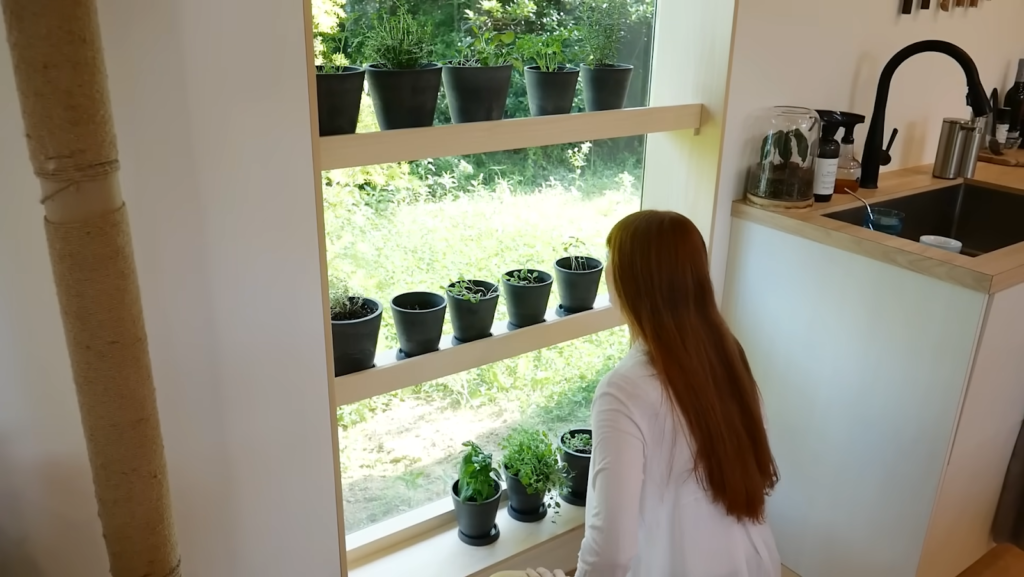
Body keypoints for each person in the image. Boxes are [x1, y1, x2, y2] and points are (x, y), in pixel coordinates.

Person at [530, 211, 781, 577]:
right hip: (751, 563)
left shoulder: (622, 391)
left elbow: (611, 550)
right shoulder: (726, 350)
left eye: (612, 261)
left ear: (634, 282)